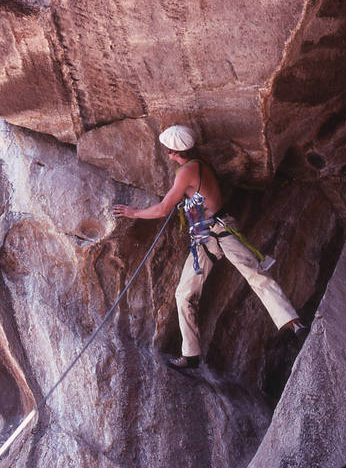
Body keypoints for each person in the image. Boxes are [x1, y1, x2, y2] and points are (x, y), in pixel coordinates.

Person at [113, 124, 308, 369]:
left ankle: (294, 323)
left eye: (168, 150)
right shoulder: (200, 163)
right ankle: (191, 355)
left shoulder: (186, 171)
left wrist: (135, 213)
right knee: (185, 293)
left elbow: (163, 208)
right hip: (204, 238)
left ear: (174, 151)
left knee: (254, 274)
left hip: (220, 230)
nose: (167, 153)